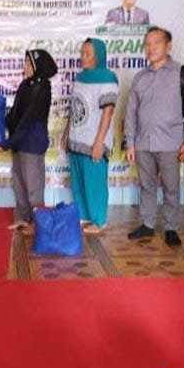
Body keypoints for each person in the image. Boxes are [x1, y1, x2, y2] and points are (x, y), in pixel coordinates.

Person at [124, 27, 184, 245]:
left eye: (156, 43)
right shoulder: (140, 78)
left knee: (171, 187)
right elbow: (131, 112)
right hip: (143, 142)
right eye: (147, 43)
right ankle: (147, 224)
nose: (150, 48)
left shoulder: (182, 73)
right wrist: (130, 143)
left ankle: (171, 227)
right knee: (146, 186)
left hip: (170, 143)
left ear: (168, 46)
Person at [61, 38, 118, 234]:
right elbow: (75, 107)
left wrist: (99, 143)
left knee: (94, 184)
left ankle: (99, 221)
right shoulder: (80, 77)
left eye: (87, 54)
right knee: (79, 182)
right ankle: (84, 217)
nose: (83, 57)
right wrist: (68, 131)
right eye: (82, 53)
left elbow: (108, 112)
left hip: (94, 141)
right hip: (77, 140)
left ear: (98, 56)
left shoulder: (108, 79)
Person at [2, 49, 56, 232]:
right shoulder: (26, 85)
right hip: (19, 142)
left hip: (32, 142)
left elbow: (28, 120)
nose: (25, 67)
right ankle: (23, 218)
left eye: (28, 63)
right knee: (19, 182)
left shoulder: (41, 88)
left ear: (37, 66)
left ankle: (37, 222)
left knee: (33, 185)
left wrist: (7, 142)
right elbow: (16, 113)